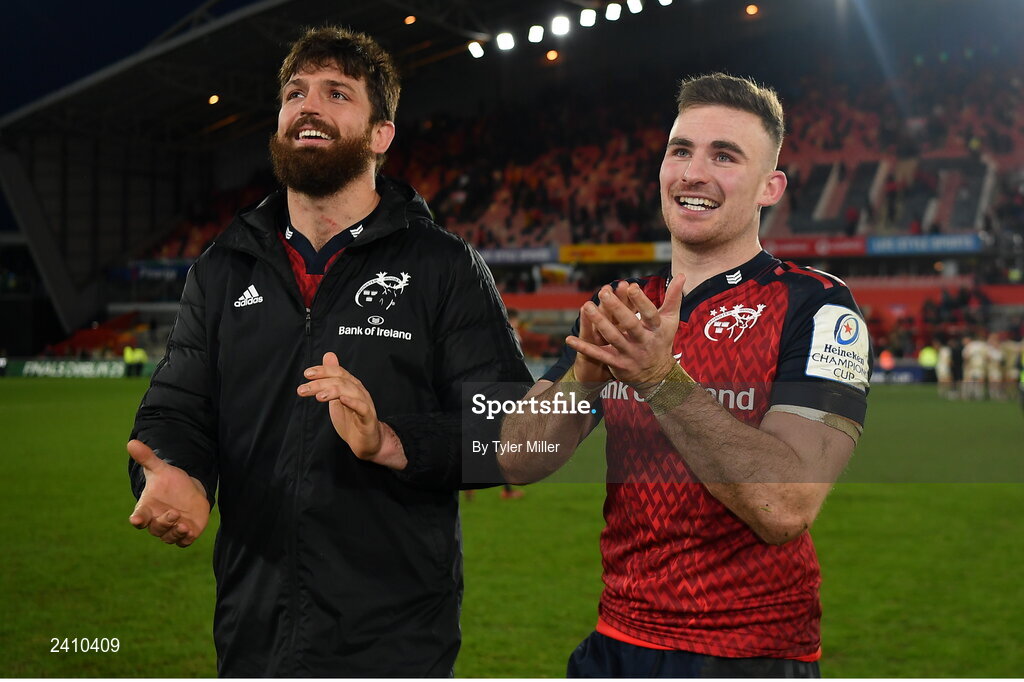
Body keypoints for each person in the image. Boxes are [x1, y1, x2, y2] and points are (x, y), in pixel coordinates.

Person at [126, 27, 531, 677]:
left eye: (336, 92)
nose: (307, 104)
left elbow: (513, 434)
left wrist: (391, 440)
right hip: (252, 634)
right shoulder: (224, 268)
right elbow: (177, 406)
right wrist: (175, 471)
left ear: (381, 135)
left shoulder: (442, 267)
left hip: (396, 640)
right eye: (295, 92)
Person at [500, 73, 871, 678]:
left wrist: (659, 379)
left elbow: (784, 507)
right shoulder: (623, 304)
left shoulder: (818, 306)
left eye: (724, 156)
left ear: (768, 187)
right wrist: (584, 378)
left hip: (749, 654)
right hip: (614, 643)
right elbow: (514, 459)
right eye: (681, 151)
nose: (693, 173)